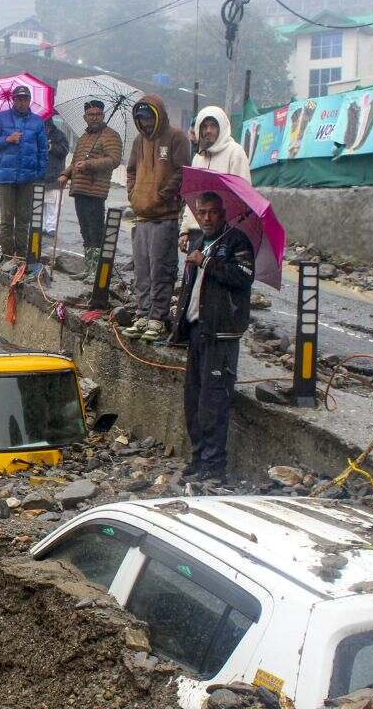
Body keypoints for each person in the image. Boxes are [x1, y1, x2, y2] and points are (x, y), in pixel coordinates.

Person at [172, 192, 255, 482]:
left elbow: (243, 276)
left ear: (223, 213)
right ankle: (198, 458)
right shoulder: (198, 242)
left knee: (213, 400)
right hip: (197, 330)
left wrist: (207, 263)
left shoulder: (236, 241)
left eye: (212, 212)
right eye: (201, 212)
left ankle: (213, 465)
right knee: (193, 399)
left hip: (222, 333)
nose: (206, 218)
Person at [124, 94, 191, 342]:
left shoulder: (176, 138)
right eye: (141, 118)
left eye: (149, 117)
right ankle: (142, 314)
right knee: (142, 269)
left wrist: (162, 196)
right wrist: (133, 194)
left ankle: (158, 317)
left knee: (161, 268)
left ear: (158, 115)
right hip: (141, 216)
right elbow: (131, 170)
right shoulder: (138, 142)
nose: (146, 122)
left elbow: (182, 172)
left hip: (165, 216)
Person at [0, 85, 47, 258]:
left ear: (29, 100)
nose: (22, 102)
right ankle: (6, 253)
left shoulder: (37, 122)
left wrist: (40, 173)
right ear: (13, 100)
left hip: (28, 177)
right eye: (18, 99)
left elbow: (43, 150)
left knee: (23, 218)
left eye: (25, 99)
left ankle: (20, 255)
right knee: (6, 218)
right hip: (6, 177)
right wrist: (7, 139)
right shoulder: (1, 118)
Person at [179, 106, 251, 253]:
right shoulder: (198, 158)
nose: (208, 130)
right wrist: (185, 230)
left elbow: (243, 197)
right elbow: (192, 198)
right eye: (204, 126)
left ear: (222, 127)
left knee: (216, 273)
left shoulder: (235, 153)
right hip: (197, 234)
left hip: (224, 234)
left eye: (213, 125)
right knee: (193, 275)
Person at [58, 100, 123, 254]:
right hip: (79, 189)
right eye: (91, 115)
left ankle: (96, 270)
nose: (94, 118)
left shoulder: (110, 136)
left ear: (103, 115)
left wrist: (89, 165)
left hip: (95, 190)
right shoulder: (84, 137)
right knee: (85, 230)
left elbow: (113, 160)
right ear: (84, 117)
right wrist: (65, 174)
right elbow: (75, 161)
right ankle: (89, 267)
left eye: (98, 114)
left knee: (95, 231)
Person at [42, 112, 70, 236]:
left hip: (54, 174)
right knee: (40, 202)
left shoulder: (59, 135)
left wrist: (51, 146)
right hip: (40, 175)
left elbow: (64, 151)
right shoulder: (37, 134)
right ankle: (41, 226)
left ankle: (51, 227)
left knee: (53, 203)